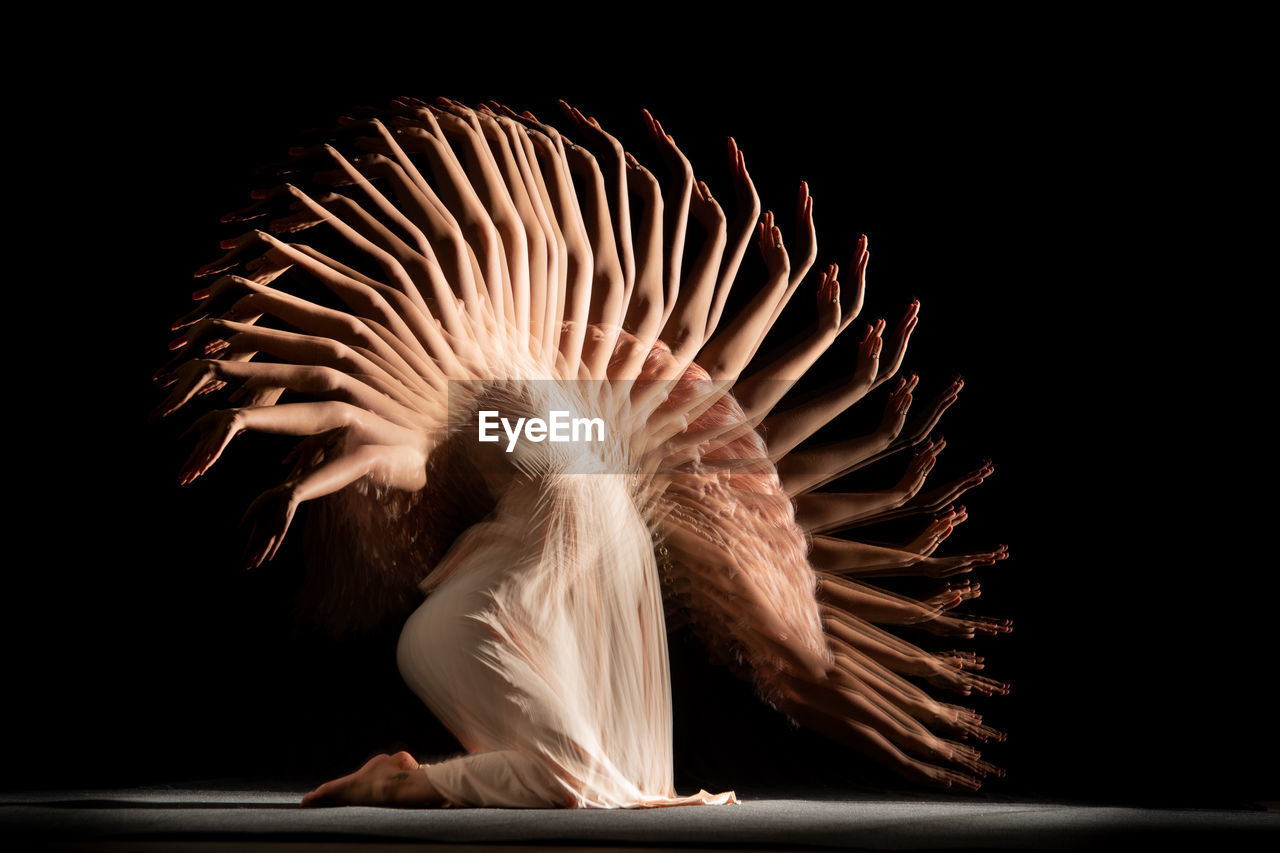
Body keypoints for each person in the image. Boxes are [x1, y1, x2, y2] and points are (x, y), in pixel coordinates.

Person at [156, 97, 1009, 807]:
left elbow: (663, 309)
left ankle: (405, 781)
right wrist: (273, 455)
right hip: (479, 611)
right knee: (575, 778)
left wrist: (808, 296)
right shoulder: (475, 403)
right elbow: (352, 379)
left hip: (544, 585)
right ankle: (396, 784)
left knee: (588, 775)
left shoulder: (582, 377)